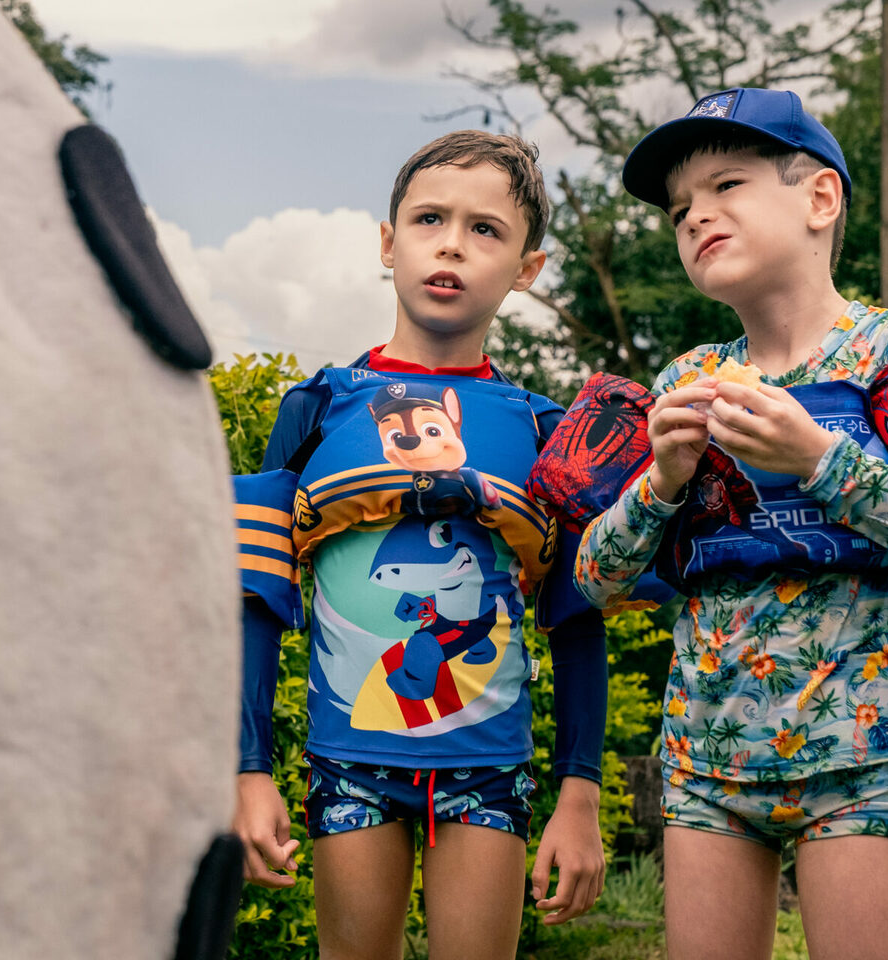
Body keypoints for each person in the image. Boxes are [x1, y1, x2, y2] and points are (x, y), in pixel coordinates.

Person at [230, 130, 608, 960]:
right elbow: (254, 599)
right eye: (430, 217)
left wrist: (579, 794)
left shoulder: (548, 431)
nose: (451, 243)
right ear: (387, 242)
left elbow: (578, 620)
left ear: (527, 269)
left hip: (489, 770)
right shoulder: (317, 407)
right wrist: (249, 770)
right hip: (348, 761)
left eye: (486, 230)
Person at [570, 87, 888, 960]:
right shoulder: (688, 379)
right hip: (704, 762)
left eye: (726, 185)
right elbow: (596, 581)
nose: (697, 218)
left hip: (860, 759)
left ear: (820, 198)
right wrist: (661, 480)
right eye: (682, 209)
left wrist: (817, 459)